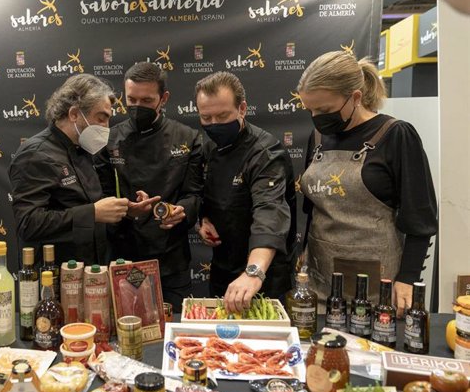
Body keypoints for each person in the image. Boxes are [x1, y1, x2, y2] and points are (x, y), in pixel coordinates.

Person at [297, 51, 437, 315]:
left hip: (378, 285)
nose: (316, 117)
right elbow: (311, 209)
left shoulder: (396, 135)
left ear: (356, 97)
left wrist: (407, 279)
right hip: (321, 280)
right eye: (310, 110)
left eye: (325, 110)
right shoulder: (317, 138)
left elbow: (420, 217)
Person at [95, 62, 204, 311]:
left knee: (174, 334)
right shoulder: (107, 139)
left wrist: (179, 211)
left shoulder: (188, 137)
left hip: (171, 259)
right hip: (123, 254)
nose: (137, 107)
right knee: (126, 336)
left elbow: (194, 194)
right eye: (131, 99)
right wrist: (127, 209)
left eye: (146, 100)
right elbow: (101, 197)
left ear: (163, 98)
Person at [195, 72, 297, 314]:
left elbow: (269, 212)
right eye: (206, 117)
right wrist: (203, 220)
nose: (214, 124)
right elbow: (203, 193)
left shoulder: (266, 153)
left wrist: (253, 272)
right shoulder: (208, 148)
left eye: (222, 116)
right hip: (222, 269)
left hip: (264, 274)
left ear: (242, 108)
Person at [8, 74, 129, 266]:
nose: (106, 127)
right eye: (101, 118)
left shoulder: (85, 150)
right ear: (74, 114)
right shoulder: (36, 154)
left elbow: (91, 207)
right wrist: (93, 213)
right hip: (54, 276)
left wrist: (125, 210)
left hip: (91, 270)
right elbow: (28, 223)